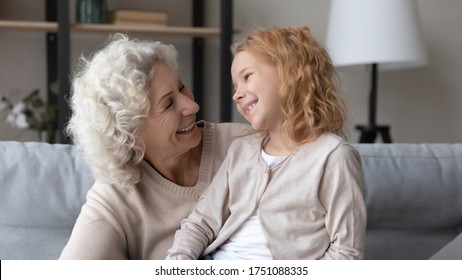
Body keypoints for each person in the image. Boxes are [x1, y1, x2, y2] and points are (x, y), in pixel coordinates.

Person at [166, 26, 367, 260]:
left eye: (247, 77)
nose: (237, 94)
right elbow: (201, 222)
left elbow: (347, 253)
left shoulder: (332, 157)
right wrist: (178, 261)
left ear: (293, 72)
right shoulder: (241, 150)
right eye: (235, 87)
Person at [59, 33, 249, 259]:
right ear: (129, 134)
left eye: (181, 87)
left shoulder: (245, 145)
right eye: (168, 104)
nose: (193, 105)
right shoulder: (117, 197)